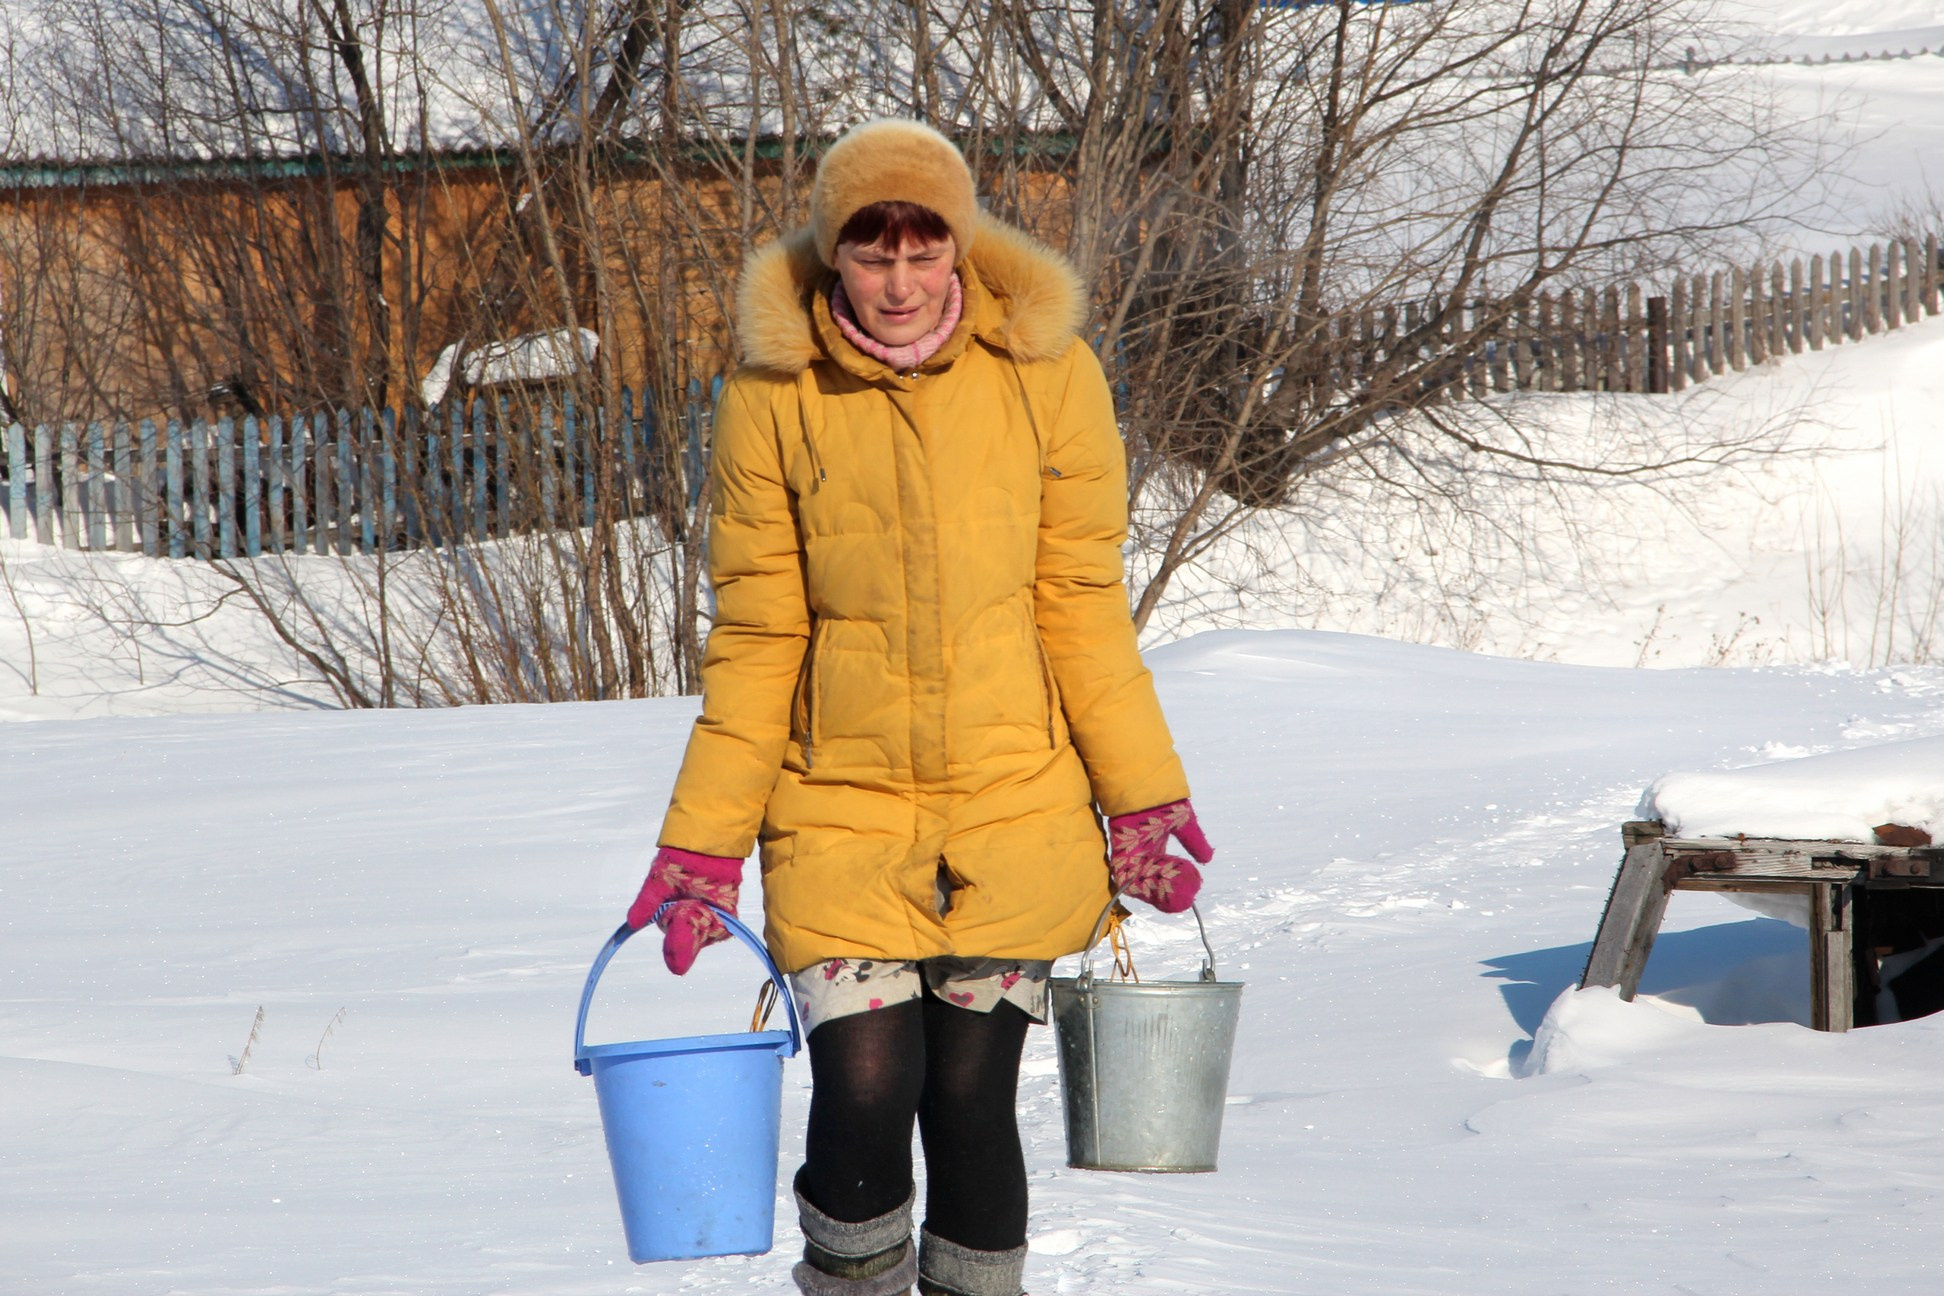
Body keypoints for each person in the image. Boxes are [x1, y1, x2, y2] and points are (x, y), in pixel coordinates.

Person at [624, 118, 1213, 1296]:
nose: (899, 281)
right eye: (871, 251)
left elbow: (1081, 607)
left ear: (961, 245)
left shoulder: (1049, 375)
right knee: (866, 1084)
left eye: (922, 249)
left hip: (1015, 798)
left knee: (970, 1096)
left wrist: (1143, 796)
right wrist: (702, 842)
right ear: (831, 253)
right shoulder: (772, 394)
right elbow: (757, 637)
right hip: (838, 801)